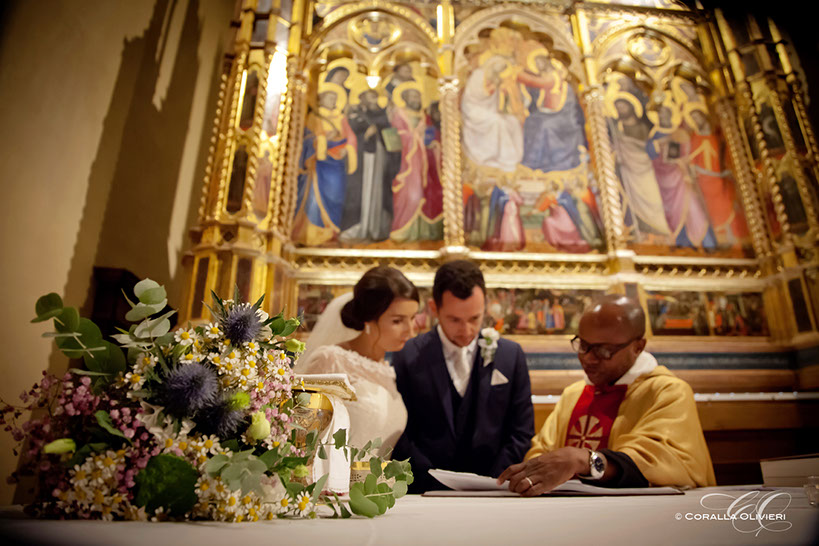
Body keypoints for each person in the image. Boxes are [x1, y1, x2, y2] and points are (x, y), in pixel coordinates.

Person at [498, 295, 715, 495]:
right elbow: (541, 452)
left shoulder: (667, 392)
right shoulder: (573, 395)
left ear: (638, 347)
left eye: (604, 350)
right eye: (583, 345)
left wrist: (584, 460)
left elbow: (665, 461)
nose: (588, 358)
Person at [393, 260, 534, 492]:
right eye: (455, 320)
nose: (466, 330)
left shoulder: (511, 355)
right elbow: (401, 431)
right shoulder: (407, 355)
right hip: (426, 490)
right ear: (434, 308)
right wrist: (431, 481)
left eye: (474, 318)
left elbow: (521, 430)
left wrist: (495, 481)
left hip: (494, 490)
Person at [294, 266, 419, 456]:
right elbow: (300, 440)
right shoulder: (330, 360)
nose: (410, 331)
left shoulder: (387, 370)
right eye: (397, 321)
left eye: (412, 318)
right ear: (369, 318)